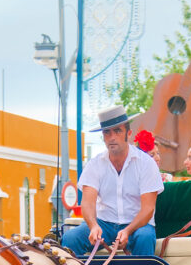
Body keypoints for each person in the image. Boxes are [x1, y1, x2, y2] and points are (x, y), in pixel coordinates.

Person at [61, 105, 163, 256]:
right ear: (103, 136)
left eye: (117, 131)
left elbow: (148, 209)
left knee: (144, 237)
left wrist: (127, 230)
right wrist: (94, 226)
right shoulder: (94, 164)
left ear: (128, 133)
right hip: (104, 224)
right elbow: (88, 203)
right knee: (70, 238)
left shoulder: (146, 163)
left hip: (137, 225)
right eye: (107, 132)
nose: (112, 137)